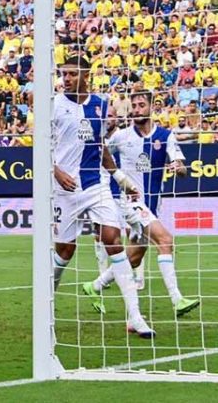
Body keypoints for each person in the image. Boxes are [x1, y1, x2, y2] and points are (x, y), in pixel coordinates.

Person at [52, 56, 154, 338]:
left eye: (72, 74)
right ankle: (46, 305)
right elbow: (40, 147)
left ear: (85, 74)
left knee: (112, 237)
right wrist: (55, 170)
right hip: (64, 189)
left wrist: (119, 177)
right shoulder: (54, 105)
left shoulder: (100, 103)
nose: (67, 79)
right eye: (64, 74)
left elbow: (100, 146)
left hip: (95, 184)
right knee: (65, 250)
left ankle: (135, 316)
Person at [83, 91, 199, 318]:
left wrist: (178, 168)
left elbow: (183, 167)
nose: (136, 109)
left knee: (134, 257)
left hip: (152, 206)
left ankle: (95, 286)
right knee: (165, 240)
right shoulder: (122, 136)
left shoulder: (165, 136)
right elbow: (100, 153)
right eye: (133, 106)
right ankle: (177, 299)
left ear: (151, 108)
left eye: (141, 105)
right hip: (130, 203)